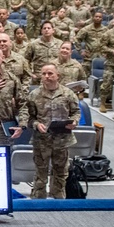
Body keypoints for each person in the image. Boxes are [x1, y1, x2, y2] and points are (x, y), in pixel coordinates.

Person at [27, 64, 80, 199]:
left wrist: (74, 122)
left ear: (58, 76)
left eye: (50, 73)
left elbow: (76, 112)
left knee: (61, 173)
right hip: (42, 140)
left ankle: (58, 200)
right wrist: (36, 124)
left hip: (62, 140)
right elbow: (29, 117)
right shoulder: (34, 95)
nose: (46, 76)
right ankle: (38, 201)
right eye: (44, 74)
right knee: (40, 173)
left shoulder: (68, 94)